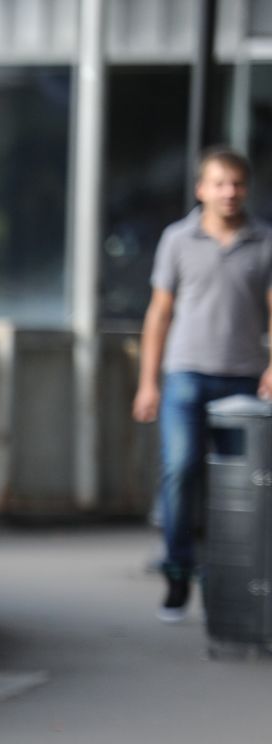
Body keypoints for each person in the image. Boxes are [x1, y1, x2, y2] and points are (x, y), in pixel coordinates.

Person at [133, 146, 272, 623]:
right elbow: (159, 313)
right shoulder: (177, 239)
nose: (229, 192)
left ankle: (227, 577)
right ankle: (177, 570)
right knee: (181, 468)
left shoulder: (265, 241)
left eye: (237, 183)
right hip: (185, 375)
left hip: (244, 381)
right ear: (201, 189)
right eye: (219, 183)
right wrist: (148, 383)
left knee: (239, 486)